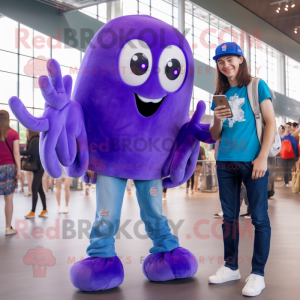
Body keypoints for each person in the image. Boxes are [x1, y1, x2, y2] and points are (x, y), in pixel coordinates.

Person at [208, 42, 276, 297]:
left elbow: (270, 122)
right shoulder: (220, 92)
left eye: (230, 60)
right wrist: (216, 116)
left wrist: (262, 158)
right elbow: (216, 134)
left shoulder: (256, 85)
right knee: (229, 219)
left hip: (252, 162)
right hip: (225, 161)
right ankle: (230, 266)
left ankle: (257, 274)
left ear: (241, 59)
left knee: (259, 218)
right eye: (220, 62)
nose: (226, 65)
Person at [0, 110, 21, 235]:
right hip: (8, 168)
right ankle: (8, 227)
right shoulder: (13, 133)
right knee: (9, 199)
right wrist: (19, 169)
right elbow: (16, 153)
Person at [21, 130, 47, 218]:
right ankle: (44, 209)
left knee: (34, 188)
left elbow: (30, 152)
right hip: (39, 167)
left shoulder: (35, 140)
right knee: (39, 189)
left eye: (27, 131)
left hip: (38, 168)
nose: (27, 133)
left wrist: (17, 152)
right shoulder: (37, 139)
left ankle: (32, 212)